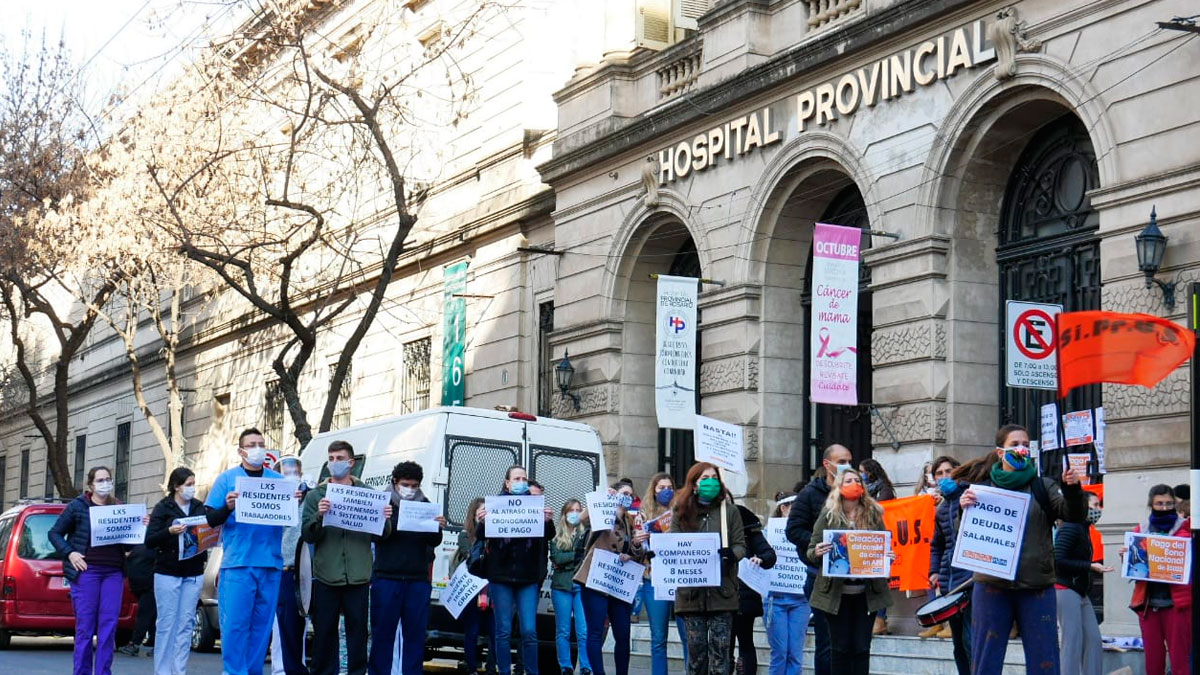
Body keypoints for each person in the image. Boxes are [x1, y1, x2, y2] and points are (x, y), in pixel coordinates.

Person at [959, 424, 1086, 675]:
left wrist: (1072, 490)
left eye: (1026, 445)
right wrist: (963, 509)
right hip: (992, 584)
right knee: (986, 659)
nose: (1021, 449)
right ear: (999, 452)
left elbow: (1073, 514)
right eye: (1015, 445)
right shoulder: (981, 489)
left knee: (1045, 658)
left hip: (1036, 586)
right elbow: (964, 534)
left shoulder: (1043, 486)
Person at [205, 428, 303, 675]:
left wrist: (297, 500)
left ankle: (253, 671)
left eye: (261, 444)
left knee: (262, 629)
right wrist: (227, 507)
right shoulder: (227, 480)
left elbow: (291, 516)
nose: (257, 448)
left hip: (270, 565)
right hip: (238, 565)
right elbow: (210, 520)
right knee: (236, 627)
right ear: (241, 451)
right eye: (251, 444)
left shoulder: (280, 482)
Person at [301, 440, 393, 675]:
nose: (335, 463)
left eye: (339, 459)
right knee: (324, 634)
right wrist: (320, 516)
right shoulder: (316, 496)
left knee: (358, 633)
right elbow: (308, 535)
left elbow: (382, 536)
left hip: (358, 576)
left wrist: (385, 518)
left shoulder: (367, 495)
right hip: (326, 575)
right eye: (331, 459)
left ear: (351, 463)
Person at [49, 466, 150, 675]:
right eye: (100, 480)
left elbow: (128, 545)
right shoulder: (78, 506)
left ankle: (104, 672)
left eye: (108, 479)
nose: (105, 483)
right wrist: (70, 553)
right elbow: (55, 533)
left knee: (109, 627)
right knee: (85, 628)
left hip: (113, 573)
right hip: (87, 572)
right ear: (91, 485)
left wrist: (140, 528)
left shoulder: (119, 507)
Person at [806, 468, 893, 675]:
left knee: (862, 648)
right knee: (839, 648)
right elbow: (811, 549)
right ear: (838, 487)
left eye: (857, 480)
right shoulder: (828, 515)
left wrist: (886, 556)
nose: (854, 483)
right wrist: (817, 551)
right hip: (836, 595)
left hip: (867, 594)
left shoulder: (873, 515)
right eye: (848, 481)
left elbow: (883, 546)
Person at [476, 466, 555, 675]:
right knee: (503, 630)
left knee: (529, 630)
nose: (521, 481)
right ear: (508, 483)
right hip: (500, 575)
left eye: (524, 478)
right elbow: (482, 536)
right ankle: (504, 671)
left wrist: (548, 521)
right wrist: (483, 521)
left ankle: (531, 671)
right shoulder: (495, 505)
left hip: (528, 577)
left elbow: (548, 535)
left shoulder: (535, 505)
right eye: (517, 478)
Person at [369, 461, 446, 675]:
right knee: (383, 635)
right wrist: (386, 519)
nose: (410, 489)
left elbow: (434, 540)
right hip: (386, 578)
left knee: (415, 636)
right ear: (395, 482)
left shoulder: (426, 505)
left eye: (414, 485)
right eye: (406, 484)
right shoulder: (382, 504)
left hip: (417, 580)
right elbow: (374, 536)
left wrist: (438, 526)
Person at [670, 462, 746, 675]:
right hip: (691, 595)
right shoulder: (681, 512)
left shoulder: (729, 512)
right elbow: (672, 543)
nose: (710, 481)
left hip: (722, 592)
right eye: (704, 478)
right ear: (694, 484)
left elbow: (741, 544)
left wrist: (732, 555)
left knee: (721, 653)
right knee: (697, 654)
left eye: (714, 477)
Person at [784, 444, 852, 675]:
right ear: (827, 464)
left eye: (849, 461)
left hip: (853, 580)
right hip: (820, 578)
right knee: (827, 643)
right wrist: (818, 543)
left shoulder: (856, 494)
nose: (846, 466)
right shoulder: (810, 494)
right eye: (841, 461)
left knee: (850, 643)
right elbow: (793, 530)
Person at [574, 481, 648, 675]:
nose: (628, 497)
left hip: (619, 582)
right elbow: (581, 519)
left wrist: (635, 549)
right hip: (596, 580)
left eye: (631, 495)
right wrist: (602, 498)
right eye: (624, 493)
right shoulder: (603, 512)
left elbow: (637, 554)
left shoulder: (632, 521)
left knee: (623, 633)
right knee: (596, 630)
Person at [143, 467, 211, 675]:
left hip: (193, 572)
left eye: (194, 484)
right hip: (167, 572)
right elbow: (150, 540)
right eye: (188, 485)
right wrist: (169, 531)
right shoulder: (163, 508)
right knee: (167, 623)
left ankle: (179, 670)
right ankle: (162, 670)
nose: (192, 488)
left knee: (186, 623)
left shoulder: (199, 507)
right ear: (176, 486)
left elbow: (210, 526)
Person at [1123, 485, 1191, 675]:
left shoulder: (1187, 528)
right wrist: (1127, 557)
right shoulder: (1141, 529)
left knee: (1180, 662)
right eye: (1159, 503)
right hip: (1148, 604)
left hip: (1177, 605)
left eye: (1168, 503)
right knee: (1153, 661)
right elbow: (1135, 568)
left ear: (1175, 504)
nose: (1164, 507)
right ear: (1151, 504)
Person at [633, 472, 687, 675]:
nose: (666, 491)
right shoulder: (644, 514)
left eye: (669, 487)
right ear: (653, 491)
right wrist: (639, 542)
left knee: (688, 636)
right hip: (653, 578)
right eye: (661, 487)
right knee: (658, 637)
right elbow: (636, 549)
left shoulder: (682, 512)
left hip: (680, 579)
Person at [1055, 491, 1109, 675]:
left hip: (1079, 589)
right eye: (1095, 505)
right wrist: (1089, 566)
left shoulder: (1082, 528)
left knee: (1093, 639)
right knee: (1072, 641)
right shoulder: (1071, 527)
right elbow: (1058, 559)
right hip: (1066, 588)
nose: (1098, 509)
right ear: (1083, 506)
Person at [926, 455, 968, 668]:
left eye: (948, 471)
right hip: (950, 584)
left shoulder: (971, 496)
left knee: (972, 641)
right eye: (939, 473)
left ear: (958, 471)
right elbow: (937, 544)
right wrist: (934, 571)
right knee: (959, 643)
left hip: (972, 580)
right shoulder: (942, 509)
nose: (944, 476)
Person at [270, 456, 310, 675]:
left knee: (302, 629)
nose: (291, 476)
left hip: (309, 570)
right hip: (284, 570)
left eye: (295, 472)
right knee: (285, 627)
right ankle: (281, 670)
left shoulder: (311, 497)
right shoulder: (272, 500)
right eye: (286, 472)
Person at [764, 492, 807, 675]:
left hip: (801, 599)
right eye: (796, 508)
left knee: (796, 654)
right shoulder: (767, 533)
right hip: (776, 599)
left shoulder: (805, 532)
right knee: (780, 653)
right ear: (783, 508)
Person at [731, 504, 776, 675]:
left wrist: (761, 559)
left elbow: (770, 555)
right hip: (720, 598)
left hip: (744, 597)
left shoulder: (749, 528)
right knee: (724, 646)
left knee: (745, 643)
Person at [549, 499, 591, 675]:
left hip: (581, 586)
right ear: (564, 514)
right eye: (571, 510)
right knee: (563, 630)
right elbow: (557, 558)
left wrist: (568, 559)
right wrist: (576, 556)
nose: (574, 513)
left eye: (578, 510)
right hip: (561, 586)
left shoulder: (586, 534)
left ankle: (586, 666)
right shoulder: (556, 535)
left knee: (583, 630)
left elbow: (587, 557)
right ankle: (565, 666)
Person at [454, 497, 496, 675]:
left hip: (493, 589)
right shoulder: (465, 535)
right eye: (481, 511)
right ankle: (471, 667)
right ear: (474, 514)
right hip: (473, 589)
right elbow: (470, 556)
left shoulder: (496, 534)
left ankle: (491, 668)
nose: (484, 514)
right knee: (472, 631)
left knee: (496, 632)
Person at [119, 543, 156, 656]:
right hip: (140, 585)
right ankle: (155, 642)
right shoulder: (134, 542)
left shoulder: (152, 541)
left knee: (144, 614)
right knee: (151, 615)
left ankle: (134, 644)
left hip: (149, 585)